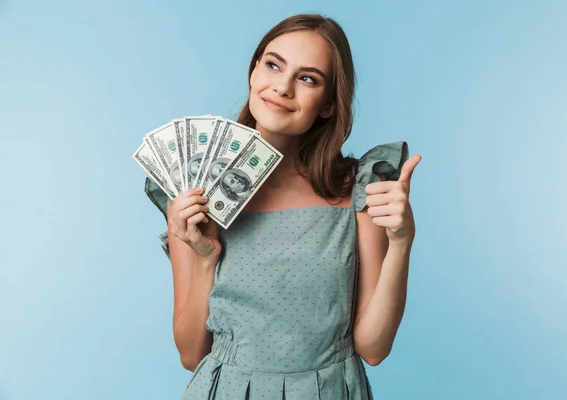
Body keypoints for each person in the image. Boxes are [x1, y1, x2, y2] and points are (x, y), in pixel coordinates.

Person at [144, 13, 421, 400]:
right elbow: (192, 355)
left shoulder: (358, 189)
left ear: (327, 104)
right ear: (254, 72)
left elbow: (373, 349)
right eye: (273, 65)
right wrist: (205, 258)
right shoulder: (194, 190)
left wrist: (402, 242)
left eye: (308, 78)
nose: (283, 87)